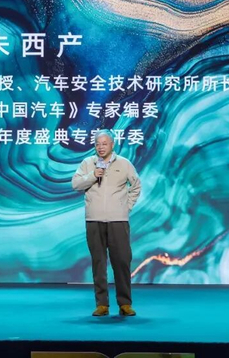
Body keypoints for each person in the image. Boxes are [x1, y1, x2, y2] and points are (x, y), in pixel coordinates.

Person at [71, 129, 142, 317]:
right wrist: (93, 175)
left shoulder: (124, 163)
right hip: (94, 220)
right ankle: (102, 304)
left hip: (118, 220)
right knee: (98, 262)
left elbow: (136, 186)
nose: (100, 147)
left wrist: (126, 207)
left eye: (104, 143)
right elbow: (76, 185)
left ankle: (125, 303)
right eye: (97, 144)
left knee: (122, 261)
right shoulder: (88, 163)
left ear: (112, 144)